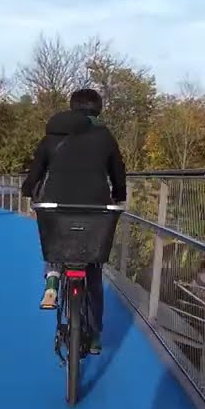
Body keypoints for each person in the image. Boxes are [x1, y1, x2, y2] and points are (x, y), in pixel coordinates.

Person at [20, 88, 127, 354]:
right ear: (98, 109)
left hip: (57, 204)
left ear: (70, 108)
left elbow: (36, 172)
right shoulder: (105, 137)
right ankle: (94, 337)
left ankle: (53, 279)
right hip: (95, 208)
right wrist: (119, 194)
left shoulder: (52, 136)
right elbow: (118, 171)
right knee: (92, 272)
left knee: (56, 238)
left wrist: (28, 189)